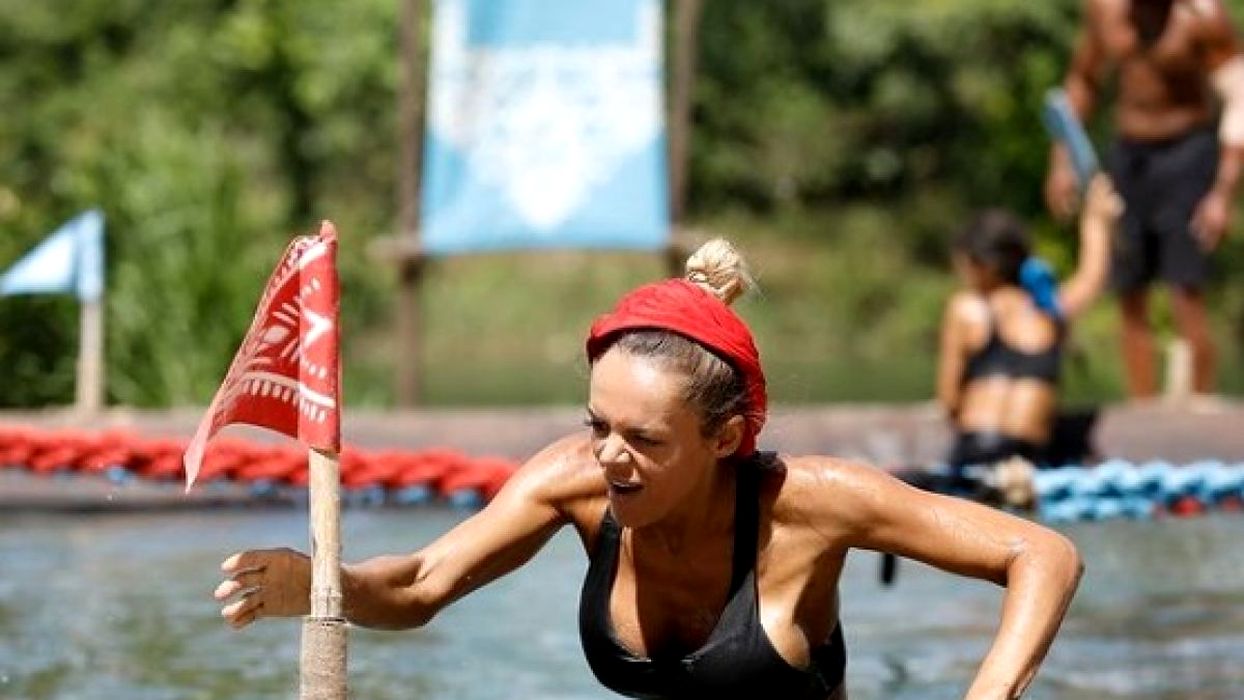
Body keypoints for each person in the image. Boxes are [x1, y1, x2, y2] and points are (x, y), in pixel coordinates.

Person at [215, 240, 1083, 699]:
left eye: (644, 439)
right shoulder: (575, 484)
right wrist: (320, 583)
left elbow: (1042, 554)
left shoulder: (814, 503)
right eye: (597, 425)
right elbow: (418, 585)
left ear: (725, 439)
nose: (608, 455)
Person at [1045, 0, 1244, 398]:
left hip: (1187, 153)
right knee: (1128, 288)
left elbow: (1240, 100)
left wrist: (1222, 193)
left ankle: (1199, 404)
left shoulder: (1203, 17)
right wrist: (1062, 161)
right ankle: (1142, 404)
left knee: (1186, 288)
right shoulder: (1105, 10)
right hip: (1129, 154)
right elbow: (1083, 81)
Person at [938, 176, 1122, 480]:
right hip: (1028, 461)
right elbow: (1092, 275)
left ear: (984, 266)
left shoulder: (966, 309)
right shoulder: (1051, 310)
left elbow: (949, 402)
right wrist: (1096, 217)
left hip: (974, 453)